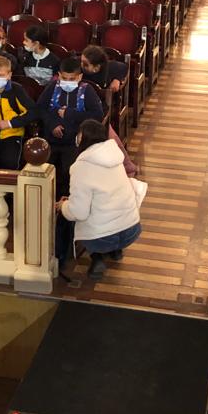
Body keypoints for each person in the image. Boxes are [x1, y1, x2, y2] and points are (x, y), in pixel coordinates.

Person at [60, 119, 142, 279]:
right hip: (131, 229)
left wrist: (63, 205)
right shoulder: (115, 156)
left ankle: (97, 258)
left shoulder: (81, 167)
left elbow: (78, 212)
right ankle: (116, 251)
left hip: (102, 238)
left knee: (74, 214)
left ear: (82, 138)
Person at [38, 58, 105, 196]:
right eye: (64, 78)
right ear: (59, 75)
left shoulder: (87, 90)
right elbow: (40, 109)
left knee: (69, 172)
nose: (67, 82)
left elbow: (97, 115)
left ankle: (67, 200)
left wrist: (70, 114)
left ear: (79, 77)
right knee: (46, 170)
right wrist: (52, 124)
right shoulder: (52, 87)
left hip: (75, 142)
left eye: (72, 79)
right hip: (51, 140)